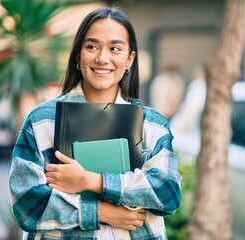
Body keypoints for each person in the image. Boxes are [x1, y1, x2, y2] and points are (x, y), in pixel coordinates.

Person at [9, 7, 181, 240]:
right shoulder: (42, 121)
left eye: (115, 49)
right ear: (78, 57)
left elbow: (167, 192)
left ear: (129, 59)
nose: (102, 58)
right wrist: (101, 212)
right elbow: (27, 204)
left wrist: (90, 181)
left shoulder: (152, 125)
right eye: (92, 47)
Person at [170, 64, 206, 154]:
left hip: (189, 131)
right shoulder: (204, 87)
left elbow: (190, 110)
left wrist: (178, 129)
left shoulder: (198, 86)